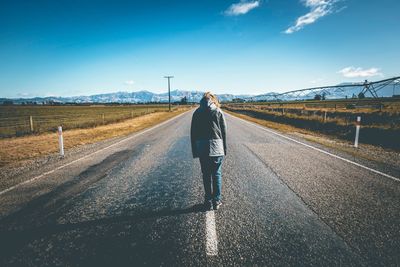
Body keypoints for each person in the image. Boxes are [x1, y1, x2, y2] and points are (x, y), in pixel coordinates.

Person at [190, 92, 227, 210]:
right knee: (216, 174)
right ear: (213, 100)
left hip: (202, 148)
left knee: (206, 174)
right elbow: (224, 132)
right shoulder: (218, 111)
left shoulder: (197, 112)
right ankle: (216, 201)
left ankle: (208, 201)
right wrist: (224, 149)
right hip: (217, 148)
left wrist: (195, 150)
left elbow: (193, 133)